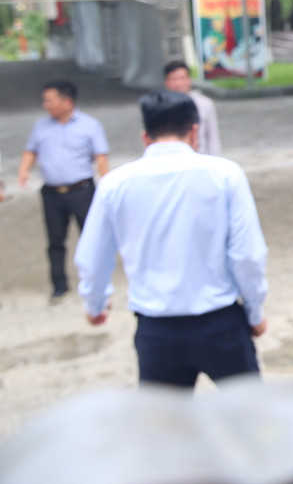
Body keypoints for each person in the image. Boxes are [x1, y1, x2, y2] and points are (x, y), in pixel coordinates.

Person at [74, 91, 268, 387]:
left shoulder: (115, 184)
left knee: (164, 428)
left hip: (156, 331)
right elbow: (247, 254)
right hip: (221, 325)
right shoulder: (225, 175)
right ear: (194, 130)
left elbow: (92, 257)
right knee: (251, 422)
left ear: (145, 136)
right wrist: (255, 311)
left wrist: (95, 304)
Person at [17, 80, 110, 303]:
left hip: (82, 191)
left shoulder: (90, 125)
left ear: (67, 102)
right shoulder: (41, 126)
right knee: (55, 241)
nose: (46, 105)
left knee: (91, 239)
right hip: (52, 193)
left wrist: (106, 186)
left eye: (50, 100)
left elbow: (101, 158)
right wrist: (23, 171)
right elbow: (30, 150)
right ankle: (59, 286)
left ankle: (97, 284)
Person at [164, 60, 221, 156]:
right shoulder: (161, 107)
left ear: (189, 79)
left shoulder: (205, 104)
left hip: (201, 157)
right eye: (174, 79)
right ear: (166, 82)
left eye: (182, 78)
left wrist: (216, 160)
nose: (179, 84)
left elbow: (212, 136)